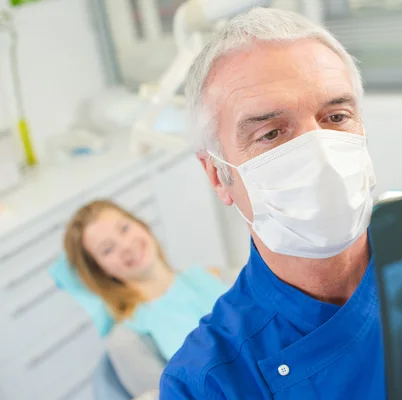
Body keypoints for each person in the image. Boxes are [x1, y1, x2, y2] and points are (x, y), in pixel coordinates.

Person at [160, 7, 384, 399]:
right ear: (217, 174)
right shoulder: (206, 381)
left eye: (336, 116)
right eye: (271, 133)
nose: (320, 155)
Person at [57, 199, 227, 397]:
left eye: (124, 228)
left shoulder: (214, 276)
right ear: (100, 272)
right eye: (107, 249)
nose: (126, 245)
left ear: (141, 224)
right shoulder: (127, 340)